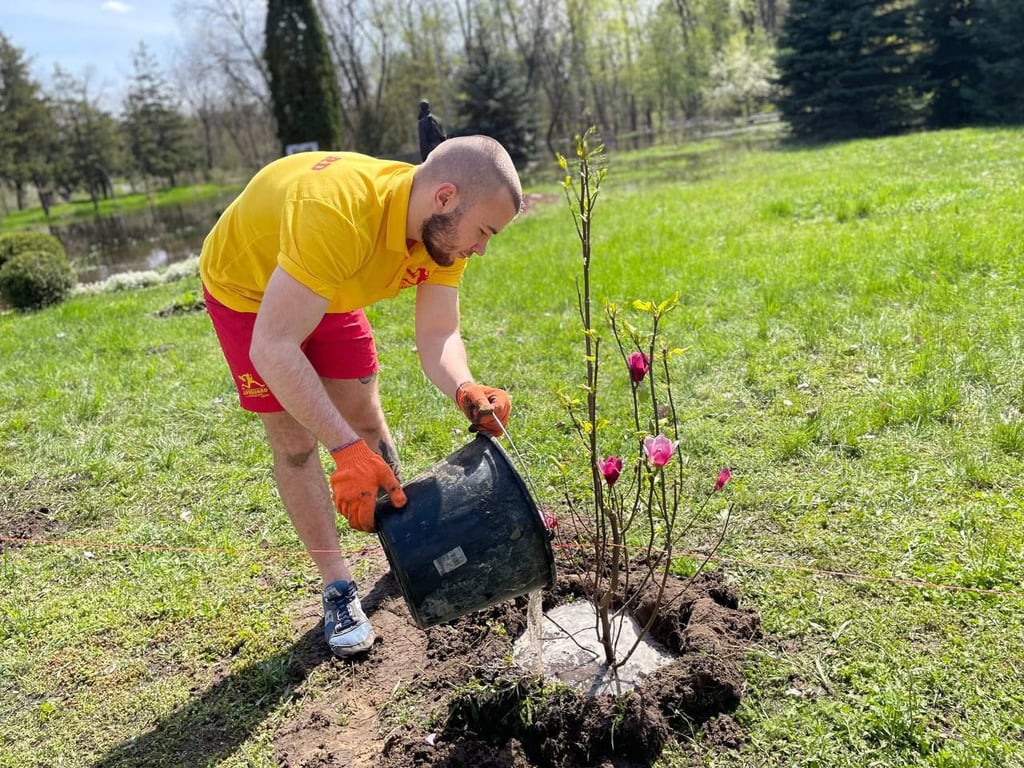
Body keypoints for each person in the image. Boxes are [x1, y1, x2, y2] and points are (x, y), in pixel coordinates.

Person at [199, 135, 522, 658]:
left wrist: (465, 386)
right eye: (484, 231)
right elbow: (275, 347)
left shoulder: (442, 235)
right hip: (250, 294)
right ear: (444, 197)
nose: (482, 248)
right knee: (297, 442)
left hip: (328, 283)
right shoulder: (340, 214)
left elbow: (438, 335)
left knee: (366, 418)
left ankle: (402, 547)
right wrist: (344, 451)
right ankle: (337, 587)